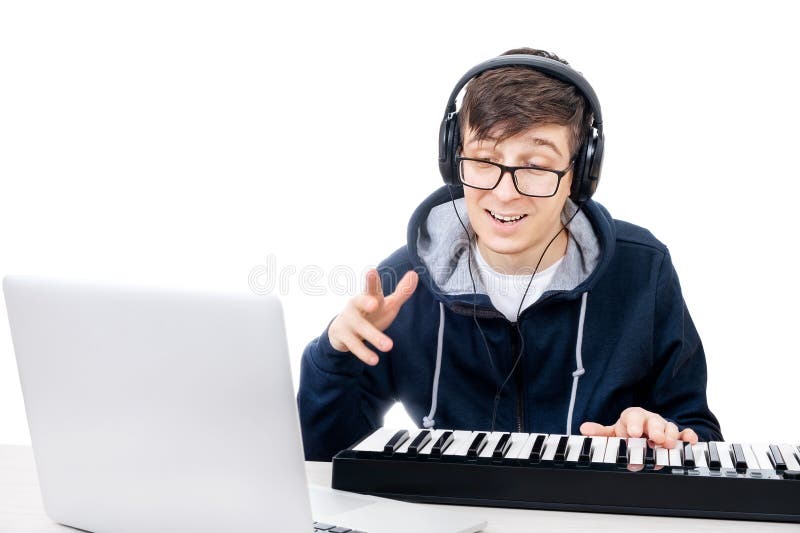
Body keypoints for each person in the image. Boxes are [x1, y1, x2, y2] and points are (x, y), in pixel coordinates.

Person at [297, 47, 722, 461]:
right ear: (453, 158)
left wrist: (658, 437)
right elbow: (327, 459)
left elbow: (698, 435)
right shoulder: (405, 284)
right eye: (483, 159)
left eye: (536, 166)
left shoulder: (643, 271)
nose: (503, 192)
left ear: (580, 173)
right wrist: (334, 357)